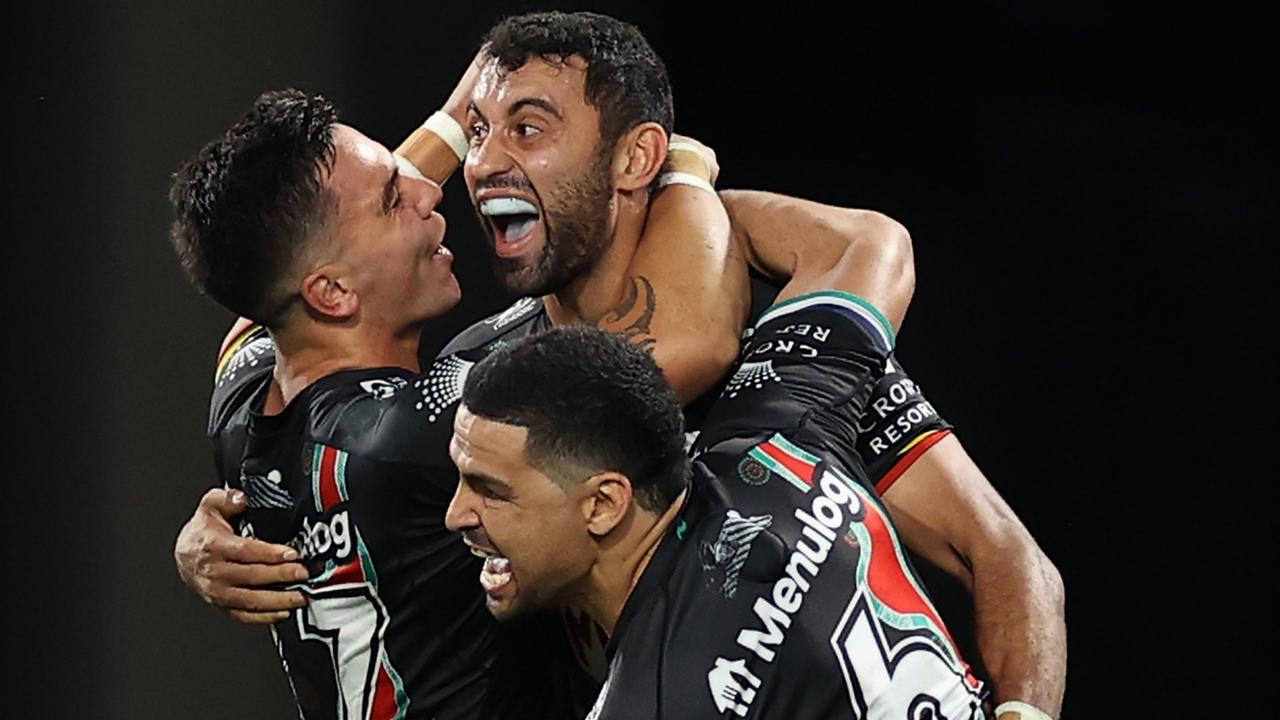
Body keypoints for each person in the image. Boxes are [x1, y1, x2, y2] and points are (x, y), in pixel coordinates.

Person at [176, 10, 1064, 718]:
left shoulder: (768, 333)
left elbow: (1008, 560)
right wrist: (684, 175)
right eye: (479, 131)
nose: (477, 165)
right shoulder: (491, 387)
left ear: (629, 155)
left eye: (528, 128)